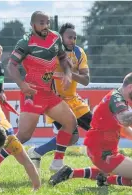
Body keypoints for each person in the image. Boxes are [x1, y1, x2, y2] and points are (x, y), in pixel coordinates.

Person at [0, 11, 77, 176]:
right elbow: (11, 66)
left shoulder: (55, 37)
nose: (45, 26)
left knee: (71, 123)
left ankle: (57, 163)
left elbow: (63, 58)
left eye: (47, 22)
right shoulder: (25, 42)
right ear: (33, 25)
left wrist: (68, 73)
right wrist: (22, 85)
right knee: (23, 136)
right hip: (32, 93)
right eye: (41, 23)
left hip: (48, 93)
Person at [49, 72, 132, 187]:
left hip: (102, 150)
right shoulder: (116, 99)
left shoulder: (118, 98)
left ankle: (70, 173)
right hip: (104, 153)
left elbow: (124, 129)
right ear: (130, 87)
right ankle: (105, 180)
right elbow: (124, 120)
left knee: (110, 170)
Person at [27, 22, 92, 172]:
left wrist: (69, 74)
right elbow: (39, 75)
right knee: (70, 136)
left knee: (93, 129)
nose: (73, 40)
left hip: (74, 100)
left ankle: (37, 152)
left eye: (75, 37)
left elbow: (86, 80)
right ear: (61, 38)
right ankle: (55, 163)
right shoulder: (52, 53)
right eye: (69, 37)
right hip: (55, 102)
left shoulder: (79, 53)